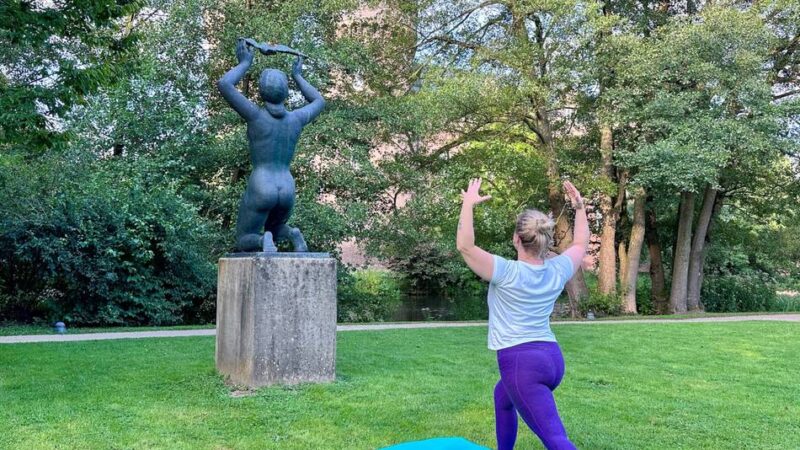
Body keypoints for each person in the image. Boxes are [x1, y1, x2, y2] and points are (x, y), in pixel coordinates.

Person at [456, 178, 588, 450]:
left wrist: (468, 204)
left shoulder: (505, 272)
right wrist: (580, 208)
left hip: (521, 365)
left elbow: (465, 247)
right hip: (551, 360)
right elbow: (580, 245)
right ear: (544, 241)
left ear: (517, 239)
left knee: (556, 440)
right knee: (502, 396)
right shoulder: (557, 269)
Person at [217, 38, 325, 252]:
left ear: (261, 91)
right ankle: (292, 234)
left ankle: (261, 241)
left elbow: (224, 84)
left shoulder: (255, 116)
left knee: (244, 238)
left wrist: (244, 63)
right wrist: (298, 76)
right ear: (286, 93)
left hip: (262, 183)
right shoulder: (296, 119)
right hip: (287, 186)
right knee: (278, 228)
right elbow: (319, 101)